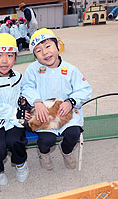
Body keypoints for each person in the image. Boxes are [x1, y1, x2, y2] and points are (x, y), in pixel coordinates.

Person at [21, 28, 92, 170]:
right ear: (35, 56)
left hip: (66, 113)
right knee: (47, 139)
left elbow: (85, 89)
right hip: (44, 113)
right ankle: (43, 153)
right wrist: (37, 101)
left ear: (58, 45)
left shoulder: (70, 69)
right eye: (39, 50)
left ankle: (66, 151)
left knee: (73, 134)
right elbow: (26, 87)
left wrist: (71, 102)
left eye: (48, 46)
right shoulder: (32, 69)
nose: (45, 52)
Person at [0, 33, 30, 186]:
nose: (4, 60)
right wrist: (16, 112)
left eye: (9, 55)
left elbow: (25, 90)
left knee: (15, 140)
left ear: (15, 57)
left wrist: (23, 100)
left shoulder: (18, 77)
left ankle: (21, 164)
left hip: (14, 120)